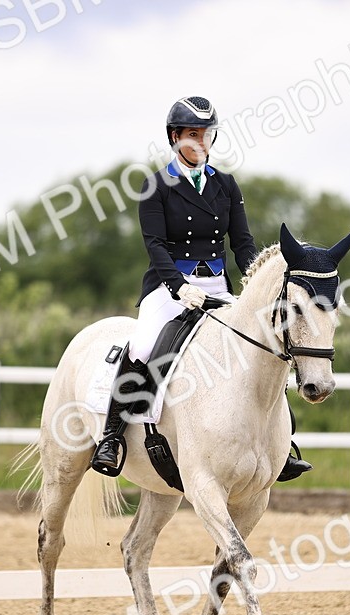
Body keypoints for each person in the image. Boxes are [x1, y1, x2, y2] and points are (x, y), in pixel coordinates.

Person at [89, 95, 313, 482]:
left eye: (206, 134)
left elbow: (242, 243)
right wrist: (178, 287)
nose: (200, 141)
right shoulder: (156, 185)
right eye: (192, 134)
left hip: (217, 287)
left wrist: (258, 283)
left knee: (262, 345)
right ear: (175, 137)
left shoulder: (225, 185)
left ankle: (281, 444)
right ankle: (112, 436)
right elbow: (155, 244)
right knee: (143, 345)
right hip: (168, 286)